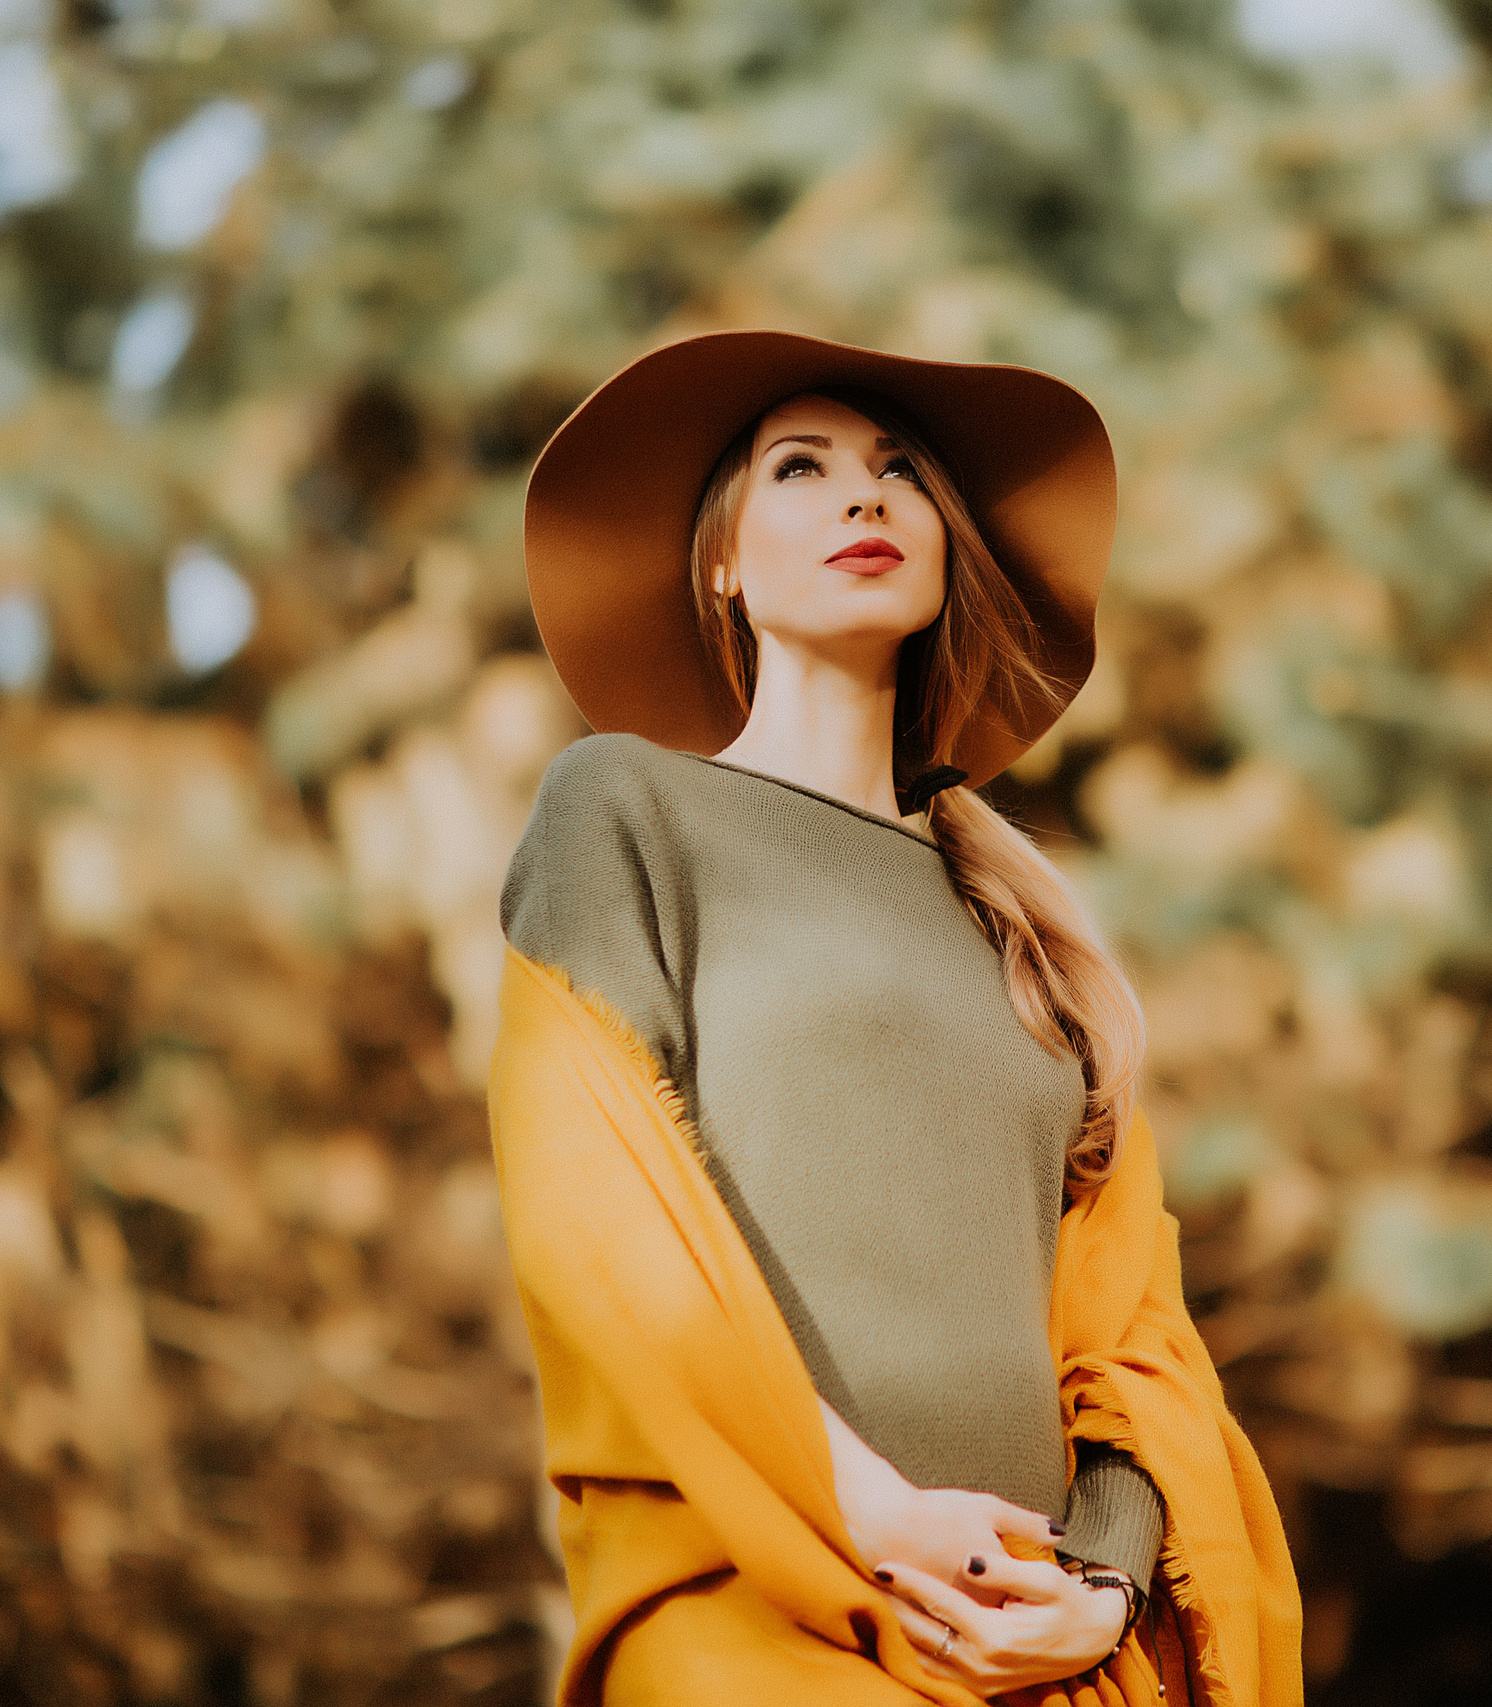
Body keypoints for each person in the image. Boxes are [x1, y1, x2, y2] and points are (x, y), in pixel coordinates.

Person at [487, 329, 1302, 1706]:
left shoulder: (1023, 921)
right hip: (752, 1620)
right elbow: (600, 1232)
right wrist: (859, 1510)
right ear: (724, 564)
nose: (864, 498)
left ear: (942, 545)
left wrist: (1098, 1592)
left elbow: (1130, 1330)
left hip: (1041, 1656)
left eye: (900, 471)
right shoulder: (621, 811)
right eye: (800, 468)